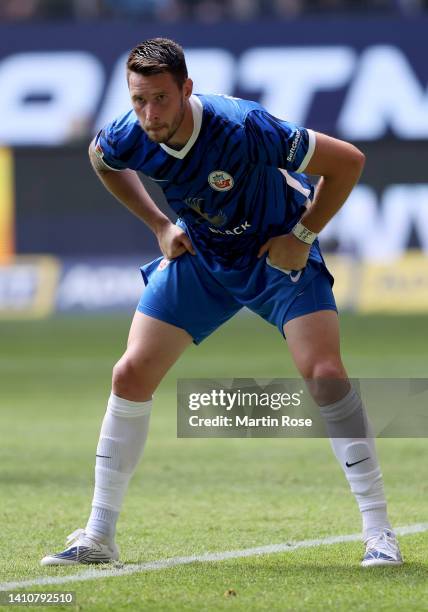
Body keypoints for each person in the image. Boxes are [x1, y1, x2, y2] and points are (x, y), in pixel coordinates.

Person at [41, 37, 402, 567]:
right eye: (138, 99)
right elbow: (101, 160)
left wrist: (300, 236)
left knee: (324, 375)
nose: (148, 113)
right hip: (205, 254)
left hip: (276, 253)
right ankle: (98, 535)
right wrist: (160, 225)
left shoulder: (246, 127)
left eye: (160, 98)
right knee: (130, 374)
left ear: (187, 89)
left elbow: (347, 162)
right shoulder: (129, 132)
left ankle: (379, 533)